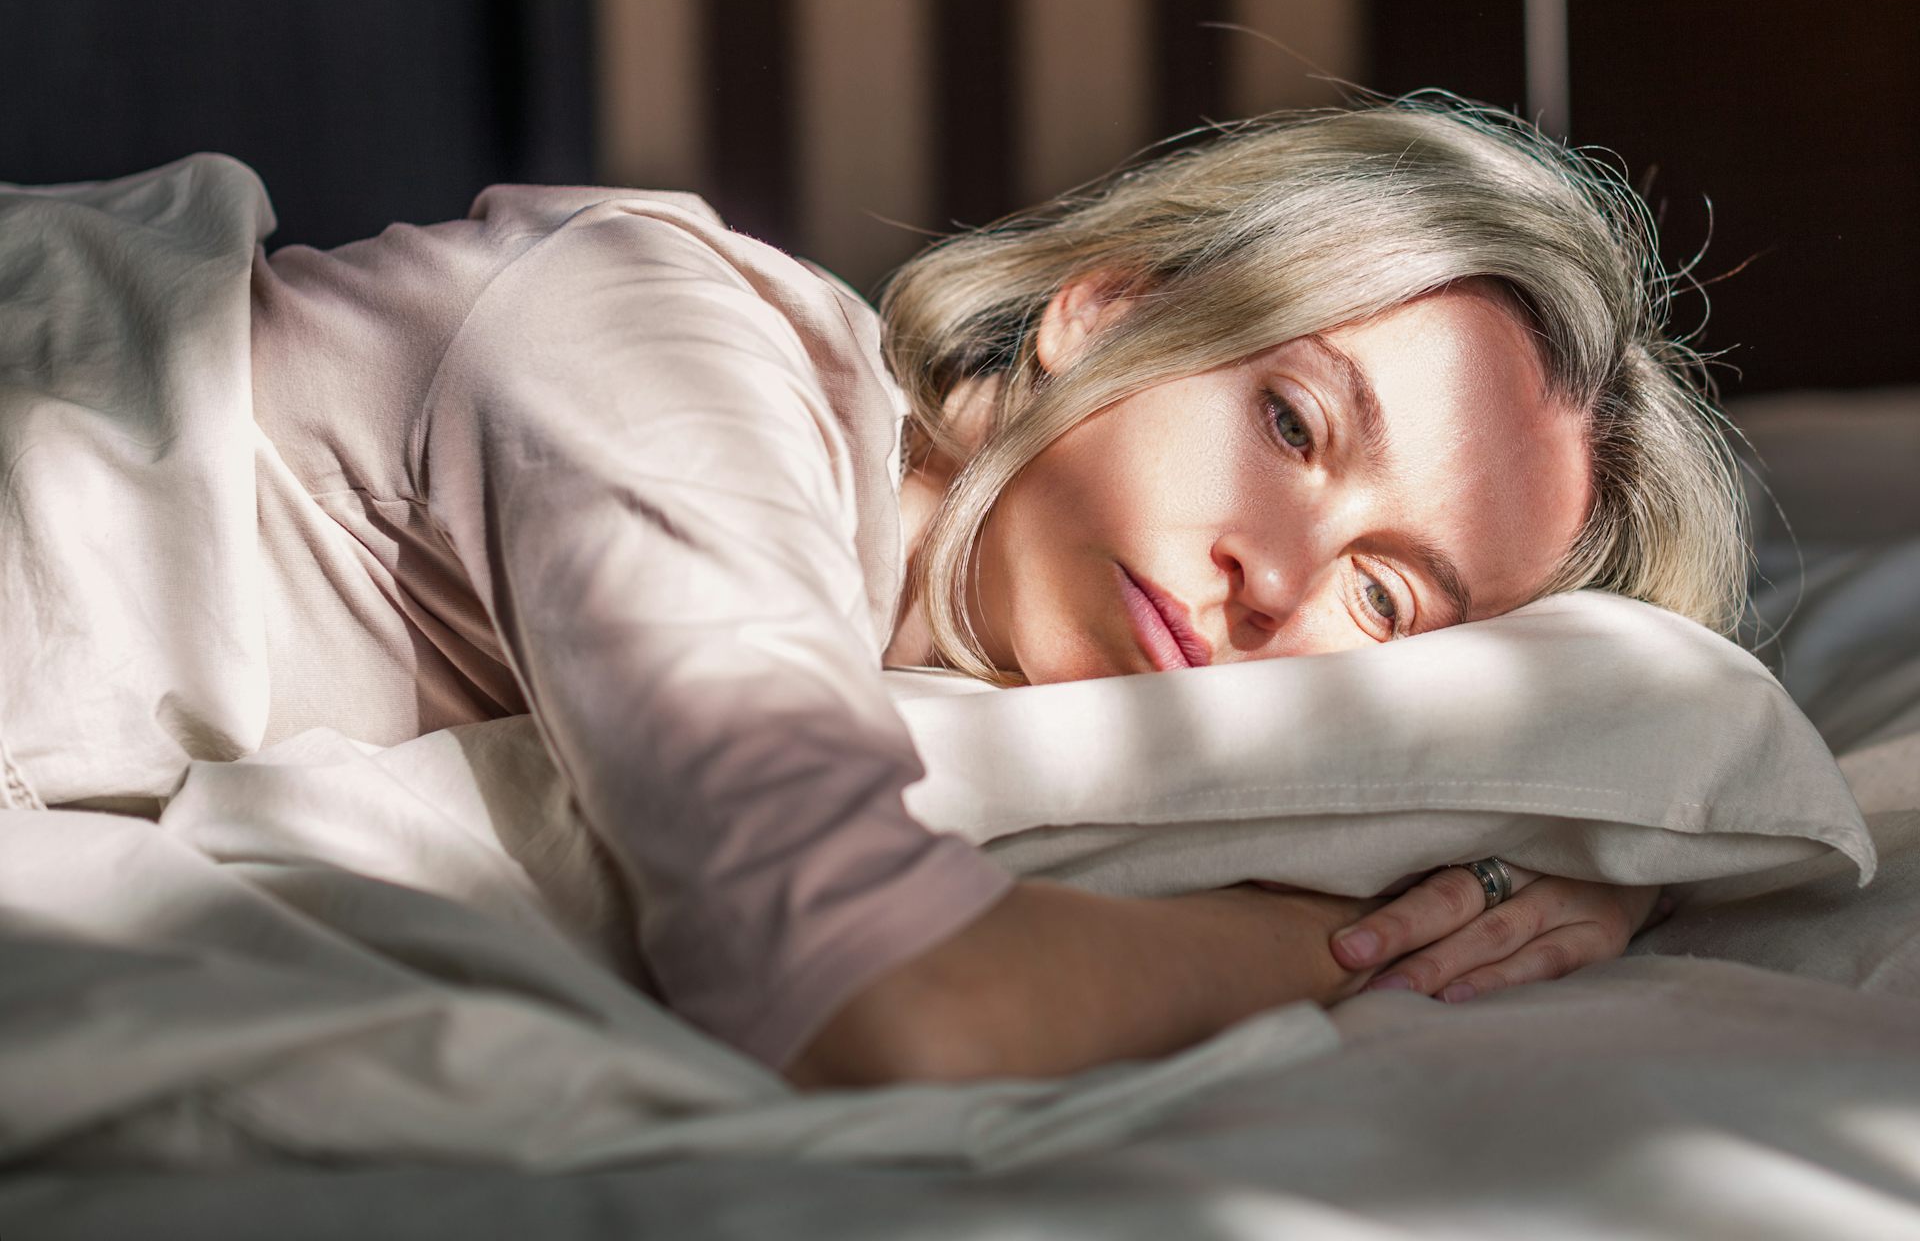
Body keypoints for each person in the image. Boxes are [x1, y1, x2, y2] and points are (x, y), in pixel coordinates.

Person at [237, 93, 1744, 1091]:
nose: (1277, 584)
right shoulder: (654, 341)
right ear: (1102, 313)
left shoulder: (954, 691)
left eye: (1389, 599)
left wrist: (1566, 846)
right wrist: (1358, 937)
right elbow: (891, 1009)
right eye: (1291, 425)